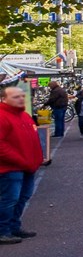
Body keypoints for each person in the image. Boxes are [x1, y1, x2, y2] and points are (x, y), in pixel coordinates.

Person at [0, 85, 43, 245]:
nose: (20, 99)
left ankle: (13, 227)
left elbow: (33, 139)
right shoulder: (3, 116)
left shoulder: (24, 116)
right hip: (11, 168)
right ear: (4, 99)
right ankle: (3, 231)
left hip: (26, 166)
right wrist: (20, 160)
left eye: (21, 96)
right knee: (10, 199)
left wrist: (37, 159)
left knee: (22, 198)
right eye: (15, 97)